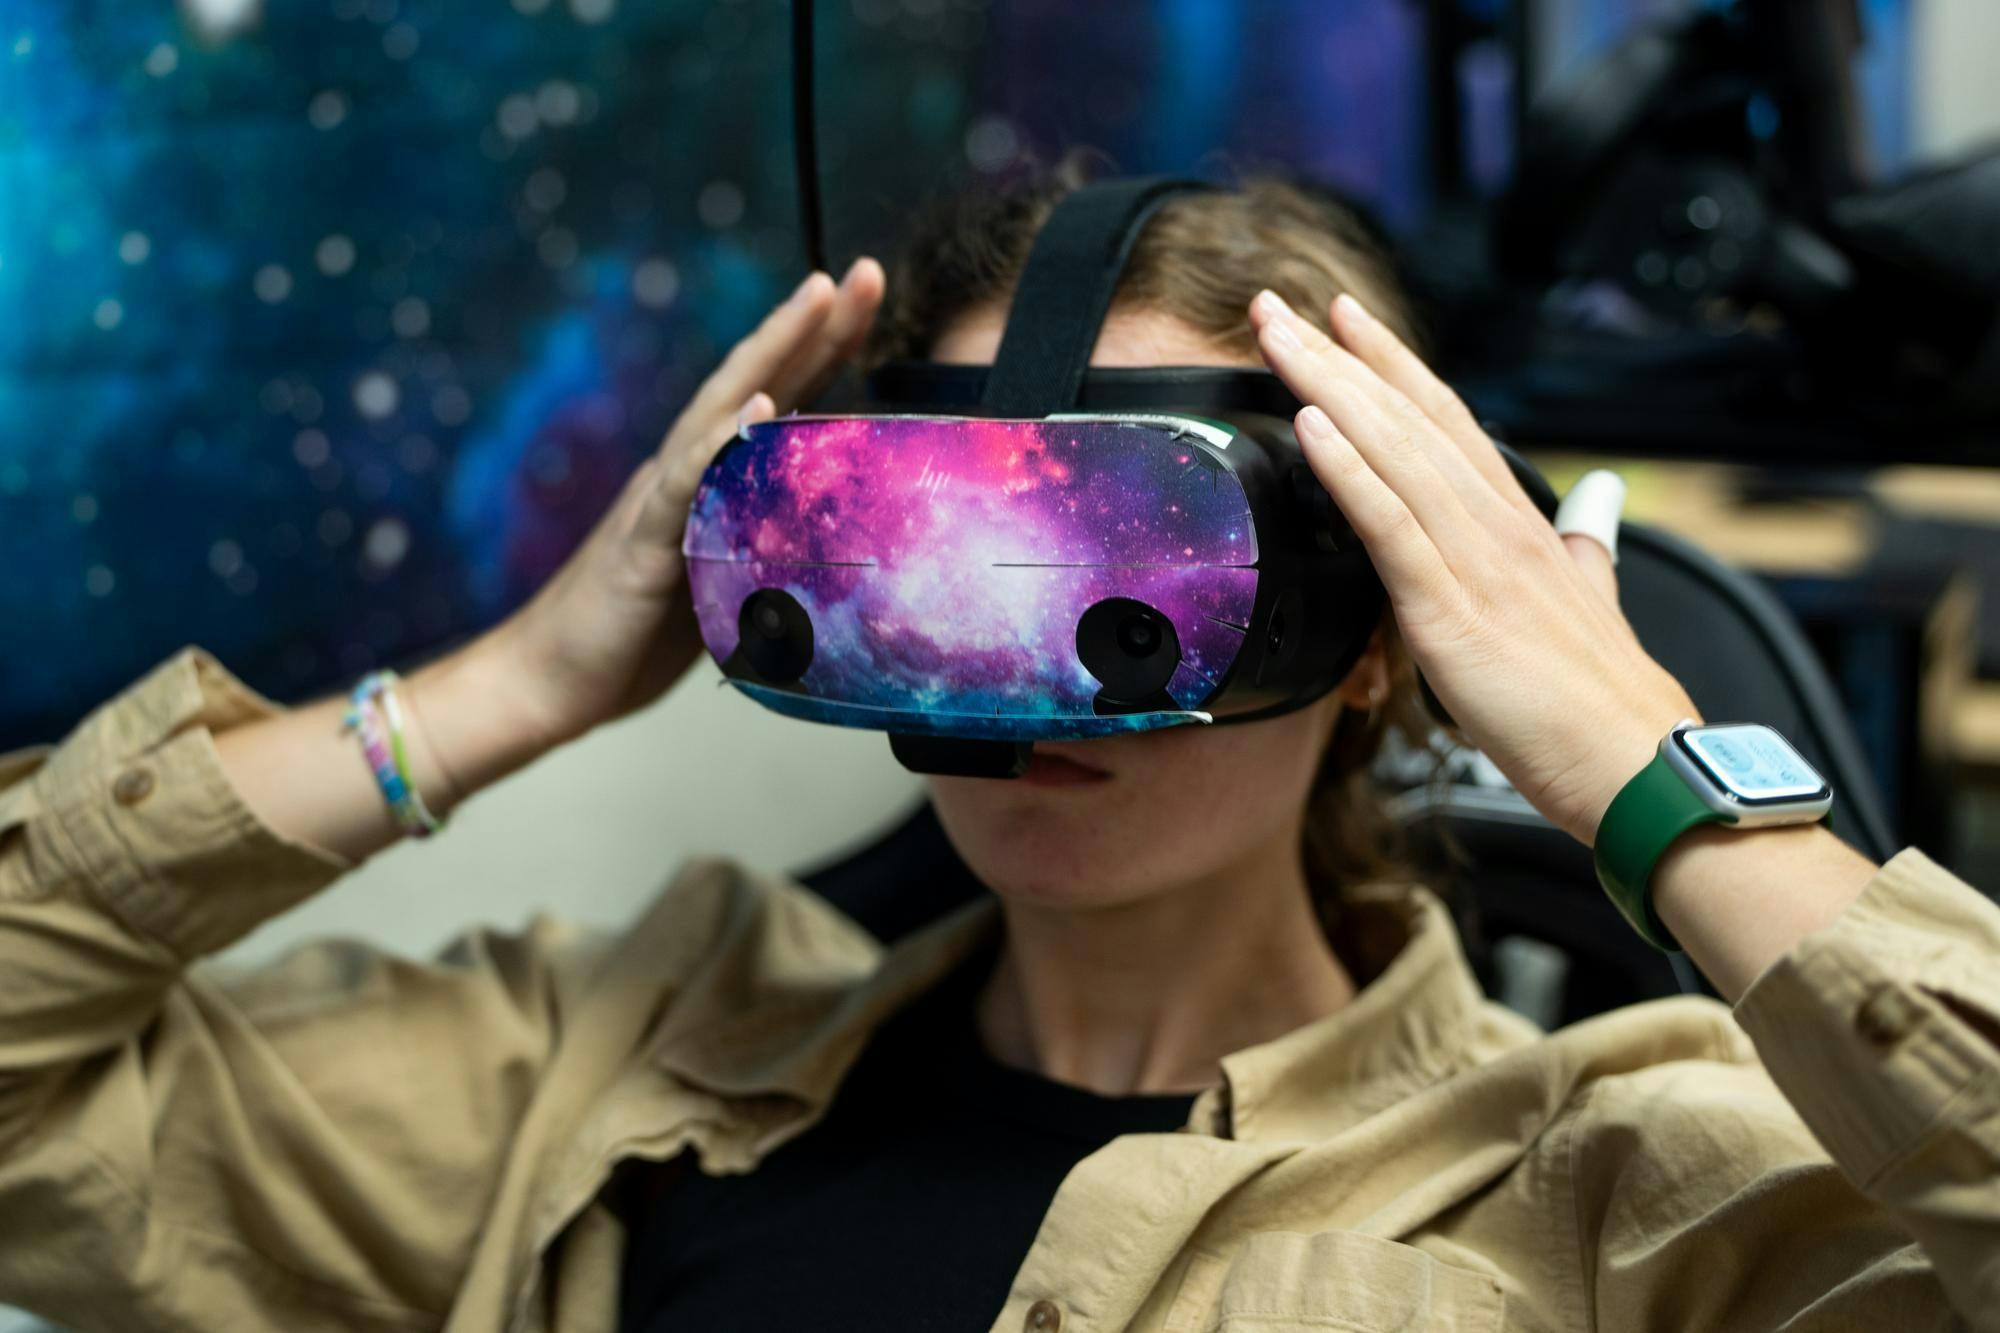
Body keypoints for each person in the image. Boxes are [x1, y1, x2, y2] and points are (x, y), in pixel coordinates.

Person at [1, 167, 1995, 1333]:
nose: (1008, 677)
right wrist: (507, 684)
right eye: (918, 561)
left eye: (1138, 571)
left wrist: (1644, 763)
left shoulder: (1624, 1184)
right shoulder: (596, 1059)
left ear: (1389, 627)